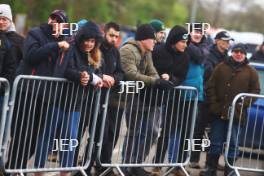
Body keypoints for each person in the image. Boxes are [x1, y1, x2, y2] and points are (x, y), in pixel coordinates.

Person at [7, 9, 70, 173]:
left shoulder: (65, 41)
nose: (55, 22)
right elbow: (31, 56)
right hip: (27, 91)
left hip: (46, 96)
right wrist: (55, 46)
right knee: (22, 134)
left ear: (64, 26)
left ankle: (13, 167)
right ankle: (13, 168)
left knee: (35, 138)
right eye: (53, 18)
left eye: (59, 21)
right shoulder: (36, 33)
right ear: (49, 20)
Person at [119, 24, 173, 176]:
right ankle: (126, 166)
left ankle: (137, 164)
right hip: (131, 97)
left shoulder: (147, 52)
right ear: (143, 39)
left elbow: (152, 71)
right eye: (152, 39)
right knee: (133, 132)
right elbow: (131, 74)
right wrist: (155, 82)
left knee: (153, 131)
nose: (155, 41)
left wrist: (160, 80)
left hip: (146, 97)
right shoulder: (127, 50)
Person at [204, 43, 260, 176]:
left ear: (245, 54)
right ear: (232, 52)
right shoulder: (221, 67)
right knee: (216, 142)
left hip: (237, 115)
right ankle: (211, 169)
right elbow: (210, 86)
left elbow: (256, 91)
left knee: (233, 144)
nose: (238, 54)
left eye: (241, 52)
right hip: (219, 113)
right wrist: (214, 104)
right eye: (236, 51)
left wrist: (243, 104)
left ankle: (229, 170)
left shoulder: (251, 71)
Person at [151, 25, 190, 175]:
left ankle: (176, 165)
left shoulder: (186, 56)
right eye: (182, 42)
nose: (185, 45)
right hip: (154, 96)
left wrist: (171, 79)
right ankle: (156, 165)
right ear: (174, 41)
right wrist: (160, 77)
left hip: (174, 97)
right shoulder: (159, 50)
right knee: (160, 132)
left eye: (186, 43)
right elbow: (150, 67)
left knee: (175, 131)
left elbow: (182, 77)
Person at [94, 22, 124, 175]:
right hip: (93, 97)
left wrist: (113, 79)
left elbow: (120, 72)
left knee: (109, 134)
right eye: (111, 35)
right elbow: (90, 68)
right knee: (95, 134)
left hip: (110, 99)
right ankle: (85, 166)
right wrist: (101, 77)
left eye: (117, 37)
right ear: (104, 33)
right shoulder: (95, 48)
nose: (114, 39)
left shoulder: (115, 52)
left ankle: (104, 167)